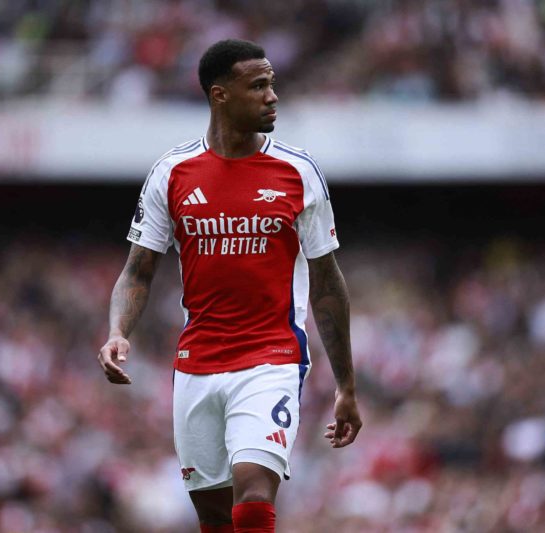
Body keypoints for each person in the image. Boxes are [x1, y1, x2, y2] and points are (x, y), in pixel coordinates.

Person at [98, 39, 362, 533]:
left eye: (272, 84)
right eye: (258, 86)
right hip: (196, 365)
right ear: (219, 95)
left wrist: (346, 386)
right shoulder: (172, 174)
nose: (272, 96)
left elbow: (328, 284)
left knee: (255, 489)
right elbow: (138, 270)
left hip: (272, 358)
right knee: (217, 518)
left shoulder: (297, 173)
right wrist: (118, 331)